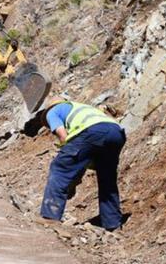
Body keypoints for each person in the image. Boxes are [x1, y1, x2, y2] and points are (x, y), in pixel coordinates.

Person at [39, 96, 126, 230]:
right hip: (116, 133)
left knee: (60, 168)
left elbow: (62, 135)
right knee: (107, 178)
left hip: (91, 132)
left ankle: (50, 217)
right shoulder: (82, 108)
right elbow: (87, 154)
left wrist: (66, 156)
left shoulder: (52, 111)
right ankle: (112, 223)